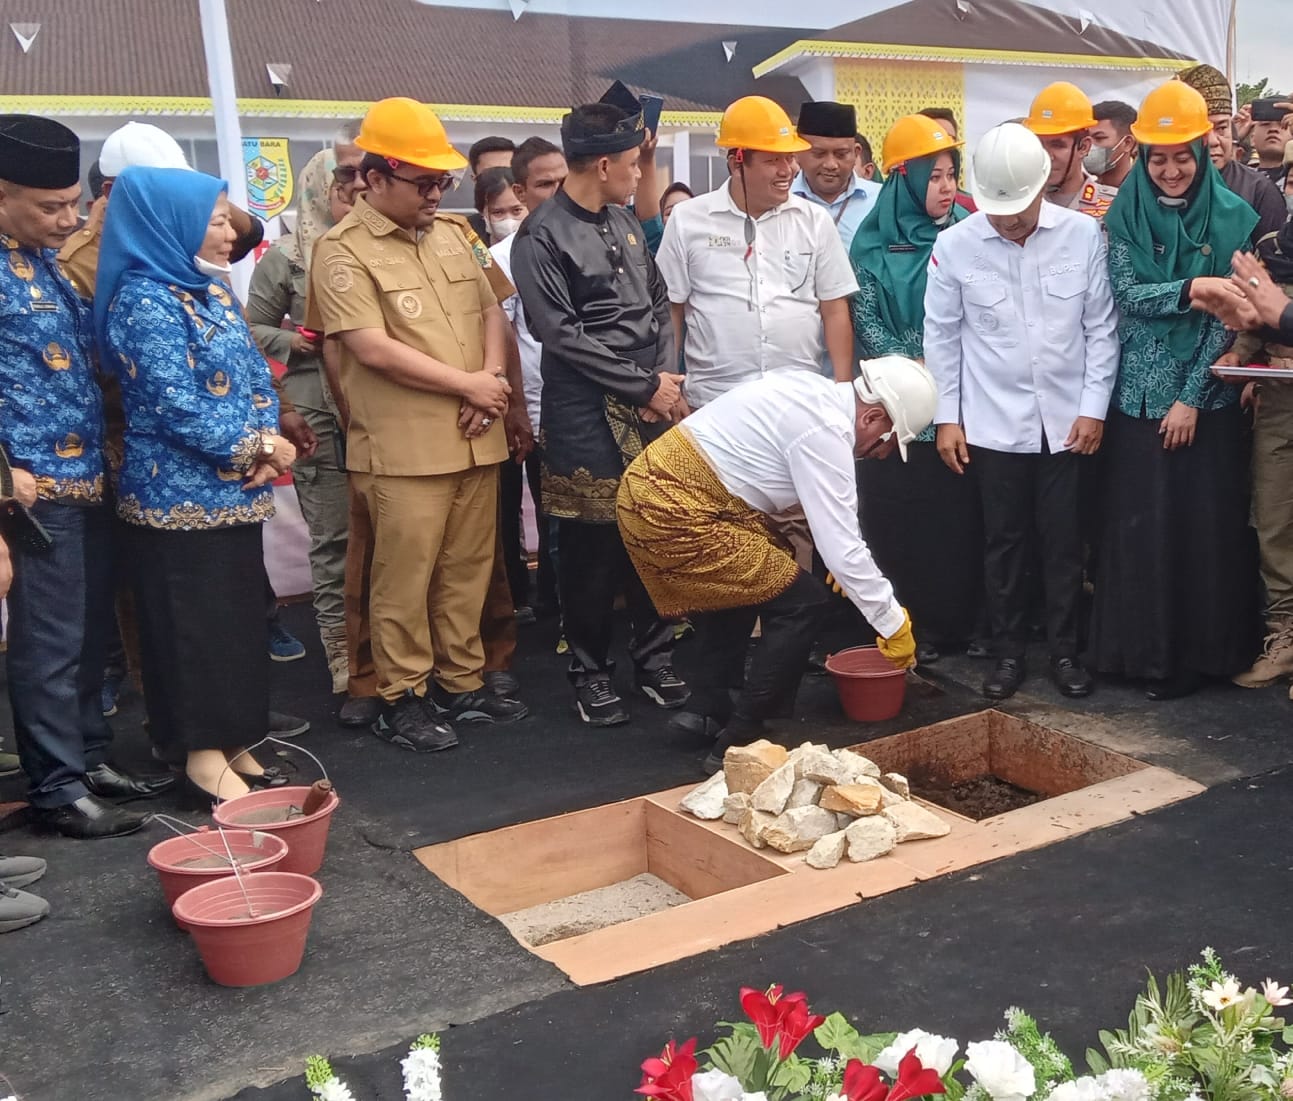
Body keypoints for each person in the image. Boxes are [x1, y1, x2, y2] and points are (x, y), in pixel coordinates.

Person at [310, 98, 524, 751]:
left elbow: (491, 310)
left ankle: (462, 679)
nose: (436, 194)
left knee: (468, 569)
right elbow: (368, 347)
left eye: (443, 182)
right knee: (402, 577)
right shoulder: (340, 251)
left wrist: (488, 382)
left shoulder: (457, 235)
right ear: (372, 180)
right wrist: (468, 385)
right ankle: (402, 692)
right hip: (403, 446)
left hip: (472, 433)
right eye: (422, 183)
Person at [617, 358, 935, 772]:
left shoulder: (808, 390)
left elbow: (828, 525)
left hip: (653, 489)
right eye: (888, 442)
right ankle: (743, 734)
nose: (881, 454)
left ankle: (708, 709)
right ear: (872, 417)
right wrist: (892, 624)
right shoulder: (825, 430)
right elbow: (842, 545)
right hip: (672, 507)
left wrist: (850, 574)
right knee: (804, 602)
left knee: (756, 576)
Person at [97, 165, 299, 804]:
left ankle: (236, 738)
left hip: (236, 493)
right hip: (172, 497)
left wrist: (266, 439)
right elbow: (172, 404)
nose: (228, 231)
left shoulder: (209, 291)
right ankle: (199, 754)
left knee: (235, 624)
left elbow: (255, 376)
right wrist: (257, 446)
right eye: (215, 220)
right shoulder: (142, 298)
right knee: (189, 627)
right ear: (171, 224)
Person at [0, 114, 169, 839]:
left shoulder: (41, 260)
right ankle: (54, 786)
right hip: (32, 490)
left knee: (87, 637)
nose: (69, 218)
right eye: (50, 206)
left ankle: (88, 758)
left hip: (88, 476)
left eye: (74, 203)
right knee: (47, 644)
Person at [925, 123, 1120, 701]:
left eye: (1019, 209)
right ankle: (1008, 655)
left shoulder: (1083, 237)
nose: (1008, 222)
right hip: (991, 421)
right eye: (998, 211)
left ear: (1043, 186)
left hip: (1066, 421)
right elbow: (942, 338)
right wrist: (947, 417)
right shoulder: (956, 245)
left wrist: (1093, 408)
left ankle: (1064, 651)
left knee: (1063, 542)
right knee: (1003, 541)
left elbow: (1101, 330)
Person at [511, 94, 688, 726]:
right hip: (585, 407)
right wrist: (644, 386)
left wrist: (665, 376)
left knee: (653, 535)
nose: (641, 173)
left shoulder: (623, 223)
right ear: (606, 163)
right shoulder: (539, 237)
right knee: (591, 549)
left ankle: (655, 657)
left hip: (651, 396)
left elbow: (659, 300)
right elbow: (560, 333)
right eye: (635, 163)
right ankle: (589, 670)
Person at [1091, 81, 1262, 700]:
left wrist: (1190, 397)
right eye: (1157, 157)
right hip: (1133, 399)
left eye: (1181, 156)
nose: (1169, 170)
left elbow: (1234, 320)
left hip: (1204, 402)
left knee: (1200, 531)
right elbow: (1126, 297)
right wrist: (1193, 287)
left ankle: (1196, 661)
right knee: (1140, 531)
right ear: (1141, 157)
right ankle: (1139, 657)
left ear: (1201, 150)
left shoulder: (1234, 218)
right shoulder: (1122, 215)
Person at [850, 113, 980, 665]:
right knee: (899, 527)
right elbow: (870, 330)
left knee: (959, 525)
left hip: (961, 410)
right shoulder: (868, 248)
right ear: (904, 177)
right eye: (935, 175)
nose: (948, 186)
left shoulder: (969, 239)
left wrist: (950, 367)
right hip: (896, 412)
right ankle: (905, 630)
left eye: (952, 173)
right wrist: (923, 365)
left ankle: (963, 626)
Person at [656, 95, 859, 410]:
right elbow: (672, 309)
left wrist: (843, 393)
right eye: (772, 160)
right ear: (738, 162)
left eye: (790, 158)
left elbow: (834, 309)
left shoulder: (815, 221)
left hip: (798, 403)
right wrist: (670, 384)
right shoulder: (688, 220)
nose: (787, 170)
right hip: (714, 404)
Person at [246, 156, 362, 695]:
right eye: (343, 184)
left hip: (378, 405)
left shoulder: (380, 248)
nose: (355, 192)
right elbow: (250, 329)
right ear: (320, 189)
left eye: (363, 182)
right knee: (334, 534)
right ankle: (341, 655)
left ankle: (388, 648)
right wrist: (293, 342)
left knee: (394, 534)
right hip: (315, 409)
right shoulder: (289, 256)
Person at [489, 138, 566, 621]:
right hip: (529, 406)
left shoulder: (594, 239)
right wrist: (516, 407)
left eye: (563, 181)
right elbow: (500, 335)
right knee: (525, 514)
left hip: (582, 408)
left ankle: (565, 611)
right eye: (544, 184)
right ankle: (530, 607)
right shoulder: (500, 257)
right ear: (521, 189)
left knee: (566, 518)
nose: (557, 192)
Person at [1176, 66, 1287, 250]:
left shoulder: (1258, 190)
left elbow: (1275, 266)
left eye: (1221, 128)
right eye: (1202, 130)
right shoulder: (1153, 185)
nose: (1213, 141)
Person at [790, 100, 882, 252]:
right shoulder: (780, 202)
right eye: (819, 154)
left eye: (841, 154)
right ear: (798, 153)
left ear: (856, 153)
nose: (831, 164)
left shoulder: (881, 201)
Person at [1022, 81, 1118, 216]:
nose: (1047, 156)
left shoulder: (1116, 207)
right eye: (1039, 144)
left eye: (1057, 145)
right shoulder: (1018, 204)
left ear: (1084, 147)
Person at [920, 109, 976, 212]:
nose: (944, 147)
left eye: (950, 140)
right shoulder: (886, 210)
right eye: (936, 138)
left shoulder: (971, 210)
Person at [466, 136, 517, 240]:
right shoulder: (464, 234)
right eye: (490, 175)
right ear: (475, 181)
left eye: (508, 172)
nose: (501, 180)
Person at [1087, 101, 1138, 190]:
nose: (1088, 146)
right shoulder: (1081, 189)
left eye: (1099, 138)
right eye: (1086, 138)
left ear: (1127, 143)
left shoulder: (1139, 196)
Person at [1249, 97, 1292, 187]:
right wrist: (1234, 138)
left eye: (1282, 124)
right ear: (1252, 138)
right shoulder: (1240, 179)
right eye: (1265, 124)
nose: (1273, 129)